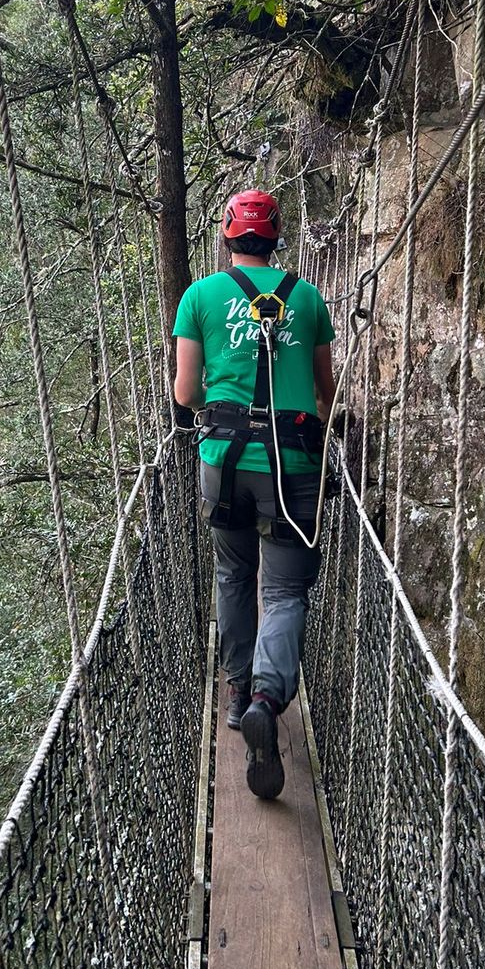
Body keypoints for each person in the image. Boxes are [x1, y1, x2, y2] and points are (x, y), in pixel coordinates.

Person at [172, 189, 336, 800]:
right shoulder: (308, 297)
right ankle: (270, 696)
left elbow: (185, 393)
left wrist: (222, 393)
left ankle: (239, 694)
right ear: (276, 237)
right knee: (285, 589)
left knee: (234, 574)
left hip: (223, 462)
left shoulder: (199, 297)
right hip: (291, 465)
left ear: (226, 237)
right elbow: (325, 391)